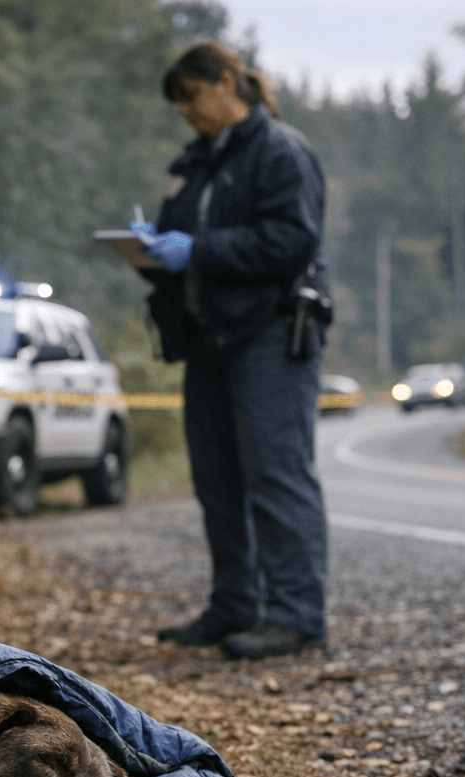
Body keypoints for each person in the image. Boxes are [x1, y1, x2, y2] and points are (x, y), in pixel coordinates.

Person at [136, 42, 329, 660]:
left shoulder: (281, 152)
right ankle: (234, 605)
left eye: (190, 98)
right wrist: (149, 251)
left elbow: (290, 241)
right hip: (206, 338)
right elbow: (182, 237)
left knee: (276, 475)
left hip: (269, 335)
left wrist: (198, 250)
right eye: (179, 105)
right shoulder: (193, 162)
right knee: (217, 481)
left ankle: (296, 616)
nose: (186, 113)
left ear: (226, 83)